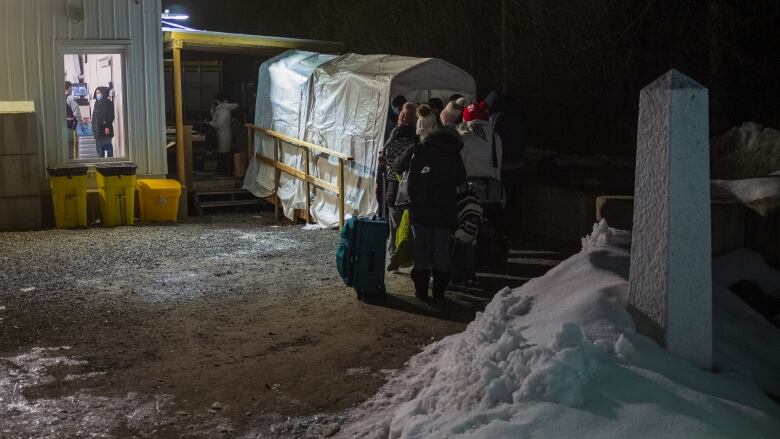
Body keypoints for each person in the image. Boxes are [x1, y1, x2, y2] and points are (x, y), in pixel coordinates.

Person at [394, 124, 466, 300]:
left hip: (420, 208)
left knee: (421, 248)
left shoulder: (419, 148)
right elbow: (460, 178)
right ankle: (439, 292)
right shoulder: (453, 152)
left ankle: (421, 292)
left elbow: (398, 166)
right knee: (441, 249)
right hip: (446, 207)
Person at [485, 90, 525, 239]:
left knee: (502, 203)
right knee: (515, 202)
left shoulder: (494, 120)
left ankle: (503, 234)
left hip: (503, 168)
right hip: (518, 166)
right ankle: (516, 231)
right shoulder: (517, 119)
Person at [381, 102, 417, 261]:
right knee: (410, 228)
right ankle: (409, 257)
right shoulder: (415, 140)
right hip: (410, 189)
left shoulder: (391, 139)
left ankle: (392, 255)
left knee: (394, 225)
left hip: (392, 187)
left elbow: (383, 162)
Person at [209, 93, 239, 176]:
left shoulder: (223, 111)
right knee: (223, 153)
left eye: (215, 102)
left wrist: (209, 123)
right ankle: (223, 171)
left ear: (218, 101)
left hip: (223, 135)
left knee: (223, 153)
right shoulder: (221, 110)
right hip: (222, 134)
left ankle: (223, 172)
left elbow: (219, 124)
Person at [92, 86, 115, 158]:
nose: (97, 94)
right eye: (96, 93)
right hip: (98, 130)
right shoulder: (96, 103)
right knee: (99, 151)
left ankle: (109, 165)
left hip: (105, 130)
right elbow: (96, 115)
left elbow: (111, 115)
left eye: (99, 92)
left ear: (103, 93)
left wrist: (107, 126)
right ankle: (101, 165)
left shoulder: (109, 103)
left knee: (108, 148)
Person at [65, 81, 83, 159]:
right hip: (71, 126)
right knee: (73, 145)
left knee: (66, 146)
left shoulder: (58, 98)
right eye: (71, 87)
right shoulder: (70, 98)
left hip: (62, 127)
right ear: (69, 88)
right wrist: (81, 122)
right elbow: (76, 112)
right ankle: (74, 163)